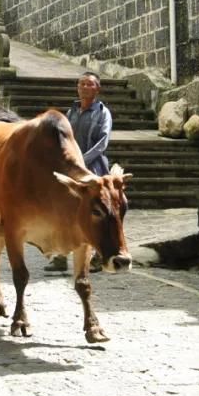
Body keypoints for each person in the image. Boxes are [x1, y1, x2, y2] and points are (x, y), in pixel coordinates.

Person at [45, 71, 113, 272]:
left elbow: (103, 142)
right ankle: (60, 256)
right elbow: (63, 138)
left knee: (96, 214)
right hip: (71, 169)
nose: (84, 87)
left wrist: (83, 161)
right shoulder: (71, 112)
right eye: (81, 83)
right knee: (64, 212)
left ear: (97, 89)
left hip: (93, 169)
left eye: (89, 84)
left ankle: (97, 257)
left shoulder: (102, 113)